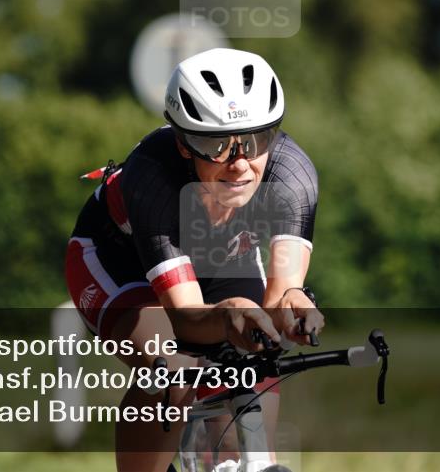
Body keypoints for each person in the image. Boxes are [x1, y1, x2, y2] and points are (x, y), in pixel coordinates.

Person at [65, 48, 324, 472]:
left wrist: (291, 309)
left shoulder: (291, 172)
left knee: (257, 360)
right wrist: (228, 316)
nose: (239, 163)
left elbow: (283, 293)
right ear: (184, 143)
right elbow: (186, 319)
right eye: (214, 144)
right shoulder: (152, 174)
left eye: (256, 140)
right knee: (176, 368)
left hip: (222, 259)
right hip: (118, 261)